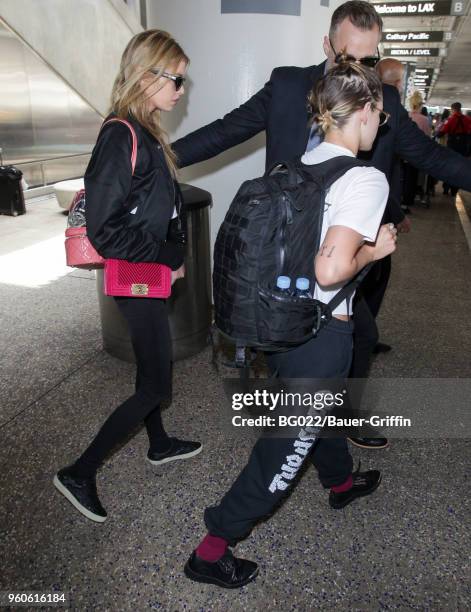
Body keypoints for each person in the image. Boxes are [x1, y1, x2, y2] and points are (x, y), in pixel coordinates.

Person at [173, 0, 471, 451]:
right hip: (287, 243)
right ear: (325, 45)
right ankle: (295, 426)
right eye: (348, 57)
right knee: (287, 334)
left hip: (349, 244)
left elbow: (431, 157)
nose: (360, 70)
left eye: (370, 60)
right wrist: (157, 160)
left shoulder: (383, 99)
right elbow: (223, 131)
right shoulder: (288, 85)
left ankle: (334, 420)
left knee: (359, 335)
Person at [183, 55, 397, 589]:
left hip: (281, 326)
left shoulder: (295, 163)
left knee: (310, 415)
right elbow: (330, 271)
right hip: (323, 334)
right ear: (366, 110)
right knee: (282, 452)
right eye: (381, 116)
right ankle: (212, 549)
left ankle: (340, 481)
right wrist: (374, 251)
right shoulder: (364, 180)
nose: (380, 126)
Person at [54, 30, 202, 523]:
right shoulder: (122, 134)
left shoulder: (145, 130)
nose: (181, 89)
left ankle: (158, 444)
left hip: (149, 271)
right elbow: (105, 227)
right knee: (155, 385)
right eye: (176, 79)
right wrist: (162, 254)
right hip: (137, 273)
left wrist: (168, 251)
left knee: (151, 366)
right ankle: (80, 471)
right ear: (147, 76)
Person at [402, 91, 431, 210]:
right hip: (417, 153)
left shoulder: (405, 116)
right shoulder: (424, 119)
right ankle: (409, 199)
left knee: (403, 176)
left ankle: (402, 197)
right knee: (413, 177)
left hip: (403, 151)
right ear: (420, 105)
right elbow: (427, 137)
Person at [438, 102, 471, 195]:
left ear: (453, 109)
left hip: (452, 146)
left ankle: (446, 188)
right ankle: (454, 190)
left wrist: (437, 134)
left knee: (449, 167)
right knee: (460, 168)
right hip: (463, 147)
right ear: (460, 109)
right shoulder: (468, 119)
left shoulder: (450, 119)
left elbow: (442, 132)